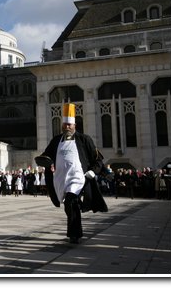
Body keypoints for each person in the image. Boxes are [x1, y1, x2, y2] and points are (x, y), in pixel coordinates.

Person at [35, 103, 107, 244]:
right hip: (61, 179)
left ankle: (74, 233)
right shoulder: (56, 140)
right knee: (69, 205)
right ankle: (74, 228)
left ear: (74, 125)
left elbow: (98, 159)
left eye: (70, 125)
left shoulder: (84, 139)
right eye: (65, 125)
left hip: (78, 178)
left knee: (71, 201)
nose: (67, 127)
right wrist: (43, 161)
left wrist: (93, 171)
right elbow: (46, 156)